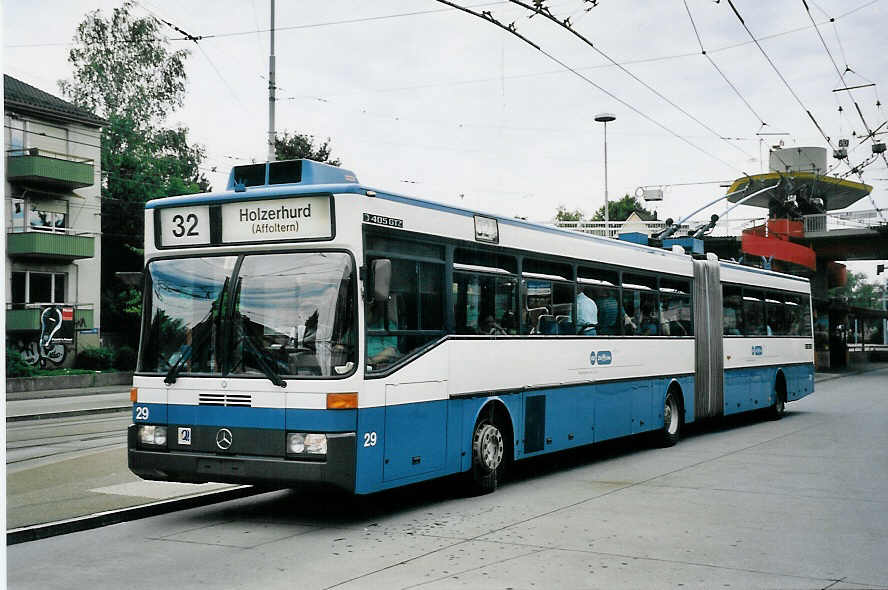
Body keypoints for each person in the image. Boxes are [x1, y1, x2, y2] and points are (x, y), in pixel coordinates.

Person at [366, 299, 399, 367]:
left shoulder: (387, 325)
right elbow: (343, 344)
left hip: (380, 367)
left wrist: (371, 361)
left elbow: (391, 351)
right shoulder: (357, 326)